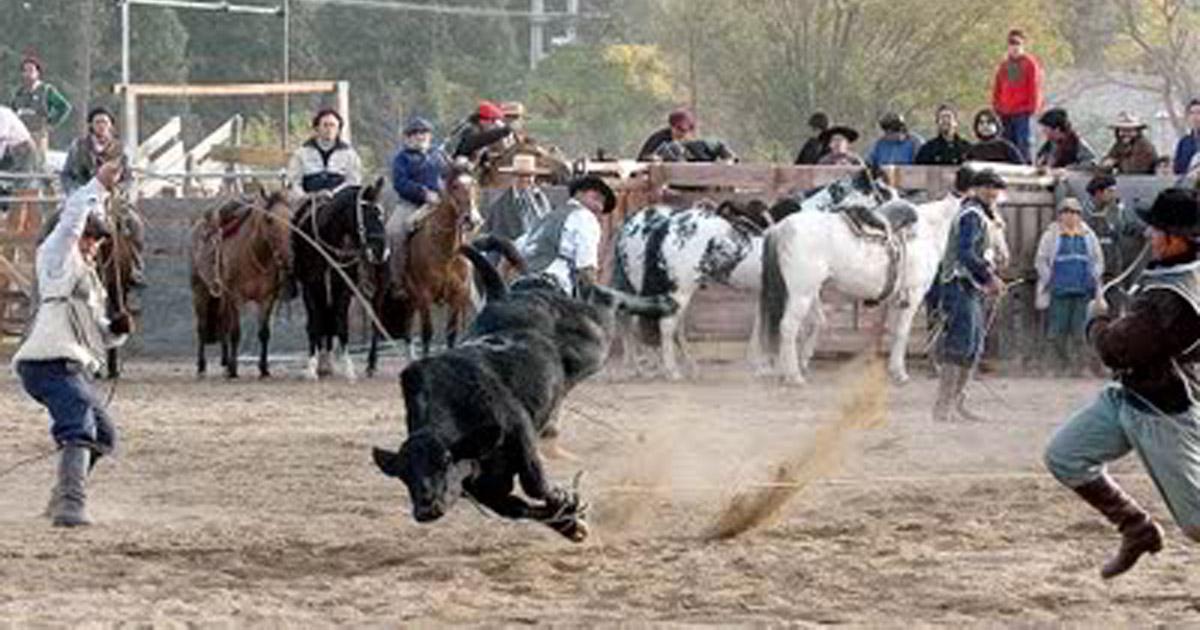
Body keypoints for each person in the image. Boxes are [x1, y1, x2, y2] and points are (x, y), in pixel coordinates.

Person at [1043, 187, 1200, 580]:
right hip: (1131, 395)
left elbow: (1116, 349)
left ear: (1175, 238)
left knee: (1197, 522)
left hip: (1163, 411)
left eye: (1155, 230)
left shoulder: (1173, 297)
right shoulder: (1176, 276)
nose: (1148, 236)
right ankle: (1136, 528)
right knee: (1065, 455)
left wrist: (1096, 320)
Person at [12, 158, 132, 528]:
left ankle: (60, 497)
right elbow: (73, 217)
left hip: (72, 365)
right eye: (89, 238)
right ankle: (70, 505)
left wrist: (118, 329)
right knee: (79, 425)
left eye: (97, 240)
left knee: (105, 435)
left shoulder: (90, 284)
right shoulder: (56, 257)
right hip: (47, 360)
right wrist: (98, 184)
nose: (93, 245)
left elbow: (101, 336)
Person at [932, 168, 1007, 423]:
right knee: (961, 344)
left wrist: (988, 275)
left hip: (970, 285)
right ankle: (944, 406)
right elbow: (965, 253)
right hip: (959, 284)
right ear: (976, 189)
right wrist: (989, 277)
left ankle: (956, 402)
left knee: (973, 345)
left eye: (995, 187)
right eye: (987, 186)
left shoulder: (982, 215)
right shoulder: (971, 215)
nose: (992, 192)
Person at [59, 107, 144, 287]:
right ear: (91, 125)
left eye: (105, 122)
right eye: (97, 122)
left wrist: (119, 192)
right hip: (82, 198)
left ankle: (136, 267)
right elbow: (66, 175)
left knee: (134, 223)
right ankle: (55, 264)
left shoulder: (120, 149)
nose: (101, 126)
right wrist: (74, 192)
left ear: (111, 126)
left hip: (110, 198)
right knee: (54, 221)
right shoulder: (78, 147)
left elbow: (128, 178)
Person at [1034, 198, 1104, 375]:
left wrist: (1094, 277)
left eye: (1075, 212)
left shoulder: (1089, 235)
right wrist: (1049, 278)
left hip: (1083, 291)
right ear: (1060, 215)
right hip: (1059, 290)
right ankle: (1057, 366)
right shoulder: (1051, 235)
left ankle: (1080, 367)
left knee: (1081, 332)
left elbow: (1098, 260)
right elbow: (1041, 260)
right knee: (1056, 331)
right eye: (1067, 212)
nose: (1071, 216)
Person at [517, 174, 616, 297]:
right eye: (596, 198)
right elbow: (586, 269)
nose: (599, 206)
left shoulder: (546, 218)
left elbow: (512, 251)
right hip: (551, 291)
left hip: (520, 287)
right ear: (579, 193)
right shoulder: (585, 217)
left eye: (602, 203)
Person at [287, 108, 363, 200]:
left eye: (332, 125)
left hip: (340, 202)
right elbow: (294, 182)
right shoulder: (301, 153)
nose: (329, 129)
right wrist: (305, 197)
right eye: (325, 125)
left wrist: (333, 193)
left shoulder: (349, 154)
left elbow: (353, 182)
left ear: (338, 129)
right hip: (309, 202)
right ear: (317, 128)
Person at [992, 28, 1043, 163]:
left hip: (1022, 111)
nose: (1014, 47)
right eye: (1011, 43)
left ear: (1023, 45)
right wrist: (996, 106)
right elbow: (997, 87)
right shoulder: (1004, 65)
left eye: (1017, 43)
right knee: (1006, 144)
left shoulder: (1030, 64)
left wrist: (1032, 107)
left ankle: (1025, 167)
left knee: (1023, 144)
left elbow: (1035, 87)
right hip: (1005, 111)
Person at [10, 55, 71, 164]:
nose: (28, 74)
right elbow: (13, 111)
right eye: (25, 70)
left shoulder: (46, 90)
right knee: (19, 163)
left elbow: (64, 107)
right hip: (20, 135)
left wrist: (51, 123)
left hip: (38, 133)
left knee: (37, 162)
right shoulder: (19, 92)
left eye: (31, 70)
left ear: (38, 72)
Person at [484, 153, 552, 247]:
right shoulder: (500, 204)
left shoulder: (540, 198)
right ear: (513, 177)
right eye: (521, 176)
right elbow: (497, 234)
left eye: (529, 176)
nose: (526, 179)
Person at [444, 101, 514, 168]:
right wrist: (503, 131)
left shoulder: (476, 128)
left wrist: (485, 160)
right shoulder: (470, 129)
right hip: (447, 165)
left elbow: (480, 147)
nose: (492, 125)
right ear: (483, 120)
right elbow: (477, 141)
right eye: (492, 121)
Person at [0, 105, 38, 189]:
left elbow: (2, 137)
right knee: (17, 178)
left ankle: (22, 199)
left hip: (24, 147)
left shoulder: (3, 114)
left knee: (23, 180)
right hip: (15, 148)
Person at [1172, 98, 1200, 177]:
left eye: (1199, 113)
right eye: (1192, 113)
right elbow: (1177, 169)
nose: (1195, 117)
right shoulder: (1184, 142)